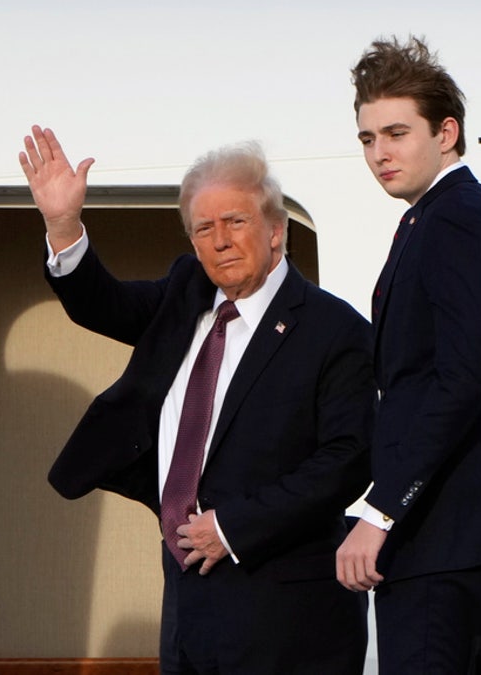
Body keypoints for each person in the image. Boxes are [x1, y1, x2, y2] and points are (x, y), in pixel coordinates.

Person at [19, 125, 372, 675]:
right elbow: (103, 305)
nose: (220, 240)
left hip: (287, 611)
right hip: (188, 599)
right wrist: (63, 226)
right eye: (203, 228)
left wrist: (232, 526)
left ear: (276, 231)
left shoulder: (335, 330)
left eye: (236, 221)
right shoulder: (188, 292)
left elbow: (348, 460)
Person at [336, 37, 481, 674]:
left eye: (395, 132)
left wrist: (381, 509)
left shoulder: (453, 221)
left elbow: (460, 382)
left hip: (443, 528)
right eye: (366, 139)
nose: (380, 153)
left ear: (447, 132)